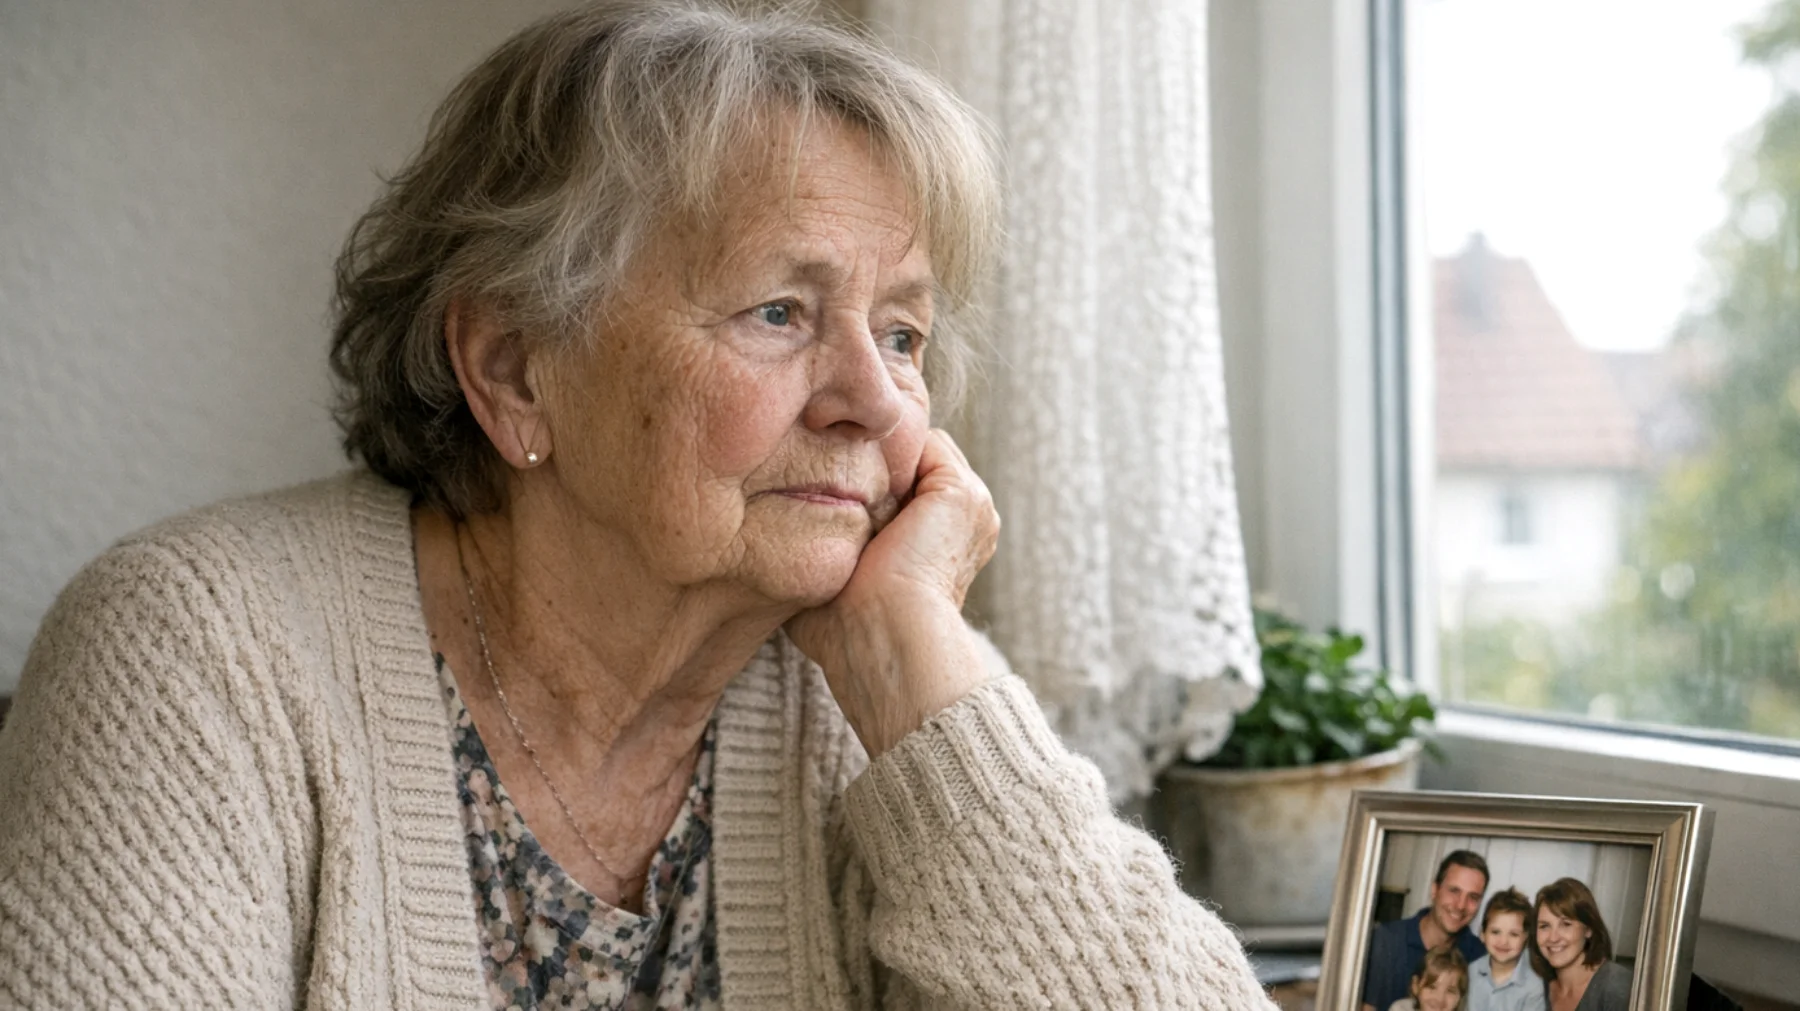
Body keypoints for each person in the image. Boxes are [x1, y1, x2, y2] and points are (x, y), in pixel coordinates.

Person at [0, 3, 1281, 1008]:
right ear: (513, 371)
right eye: (779, 311)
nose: (882, 407)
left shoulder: (878, 687)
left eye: (902, 333)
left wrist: (923, 672)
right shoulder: (196, 654)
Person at [1362, 849, 1491, 1011]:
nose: (1461, 905)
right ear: (1434, 890)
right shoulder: (1386, 941)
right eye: (1454, 891)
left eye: (1473, 897)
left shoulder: (1479, 957)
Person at [1534, 878, 1633, 1011]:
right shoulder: (1536, 988)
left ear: (1588, 929)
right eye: (1544, 926)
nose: (1553, 937)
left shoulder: (1616, 985)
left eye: (1566, 924)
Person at [1469, 887, 1547, 1011]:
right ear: (1482, 934)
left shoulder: (1533, 986)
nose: (1503, 941)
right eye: (1495, 932)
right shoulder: (1470, 972)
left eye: (1513, 934)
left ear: (1525, 938)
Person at [1387, 948, 1470, 1011]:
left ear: (1460, 997)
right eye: (1432, 987)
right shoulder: (1400, 1008)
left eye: (1450, 991)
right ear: (1415, 985)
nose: (1439, 999)